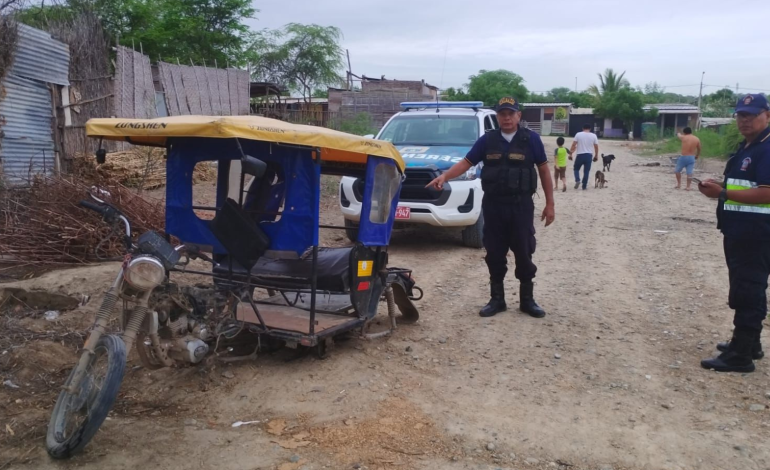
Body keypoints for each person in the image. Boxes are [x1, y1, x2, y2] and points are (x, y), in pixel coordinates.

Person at [426, 97, 555, 318]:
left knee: (524, 251)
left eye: (510, 113)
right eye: (502, 113)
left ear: (518, 116)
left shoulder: (530, 139)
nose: (506, 117)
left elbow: (543, 171)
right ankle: (497, 299)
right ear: (497, 116)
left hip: (521, 206)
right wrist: (445, 176)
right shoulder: (487, 141)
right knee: (494, 252)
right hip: (494, 206)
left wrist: (550, 204)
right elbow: (466, 162)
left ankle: (527, 300)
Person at [698, 93, 770, 373]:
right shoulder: (750, 146)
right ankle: (750, 344)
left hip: (756, 234)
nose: (745, 120)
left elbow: (767, 192)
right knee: (748, 288)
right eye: (741, 115)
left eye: (751, 115)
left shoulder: (766, 148)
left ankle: (741, 355)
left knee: (748, 290)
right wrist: (719, 186)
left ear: (767, 115)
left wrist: (724, 193)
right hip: (742, 232)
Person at [569, 124, 599, 190]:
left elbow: (574, 145)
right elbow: (596, 146)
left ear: (583, 128)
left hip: (580, 155)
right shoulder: (593, 135)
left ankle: (577, 180)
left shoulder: (578, 134)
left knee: (576, 169)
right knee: (586, 171)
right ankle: (584, 186)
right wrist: (596, 155)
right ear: (590, 129)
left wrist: (570, 154)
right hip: (589, 156)